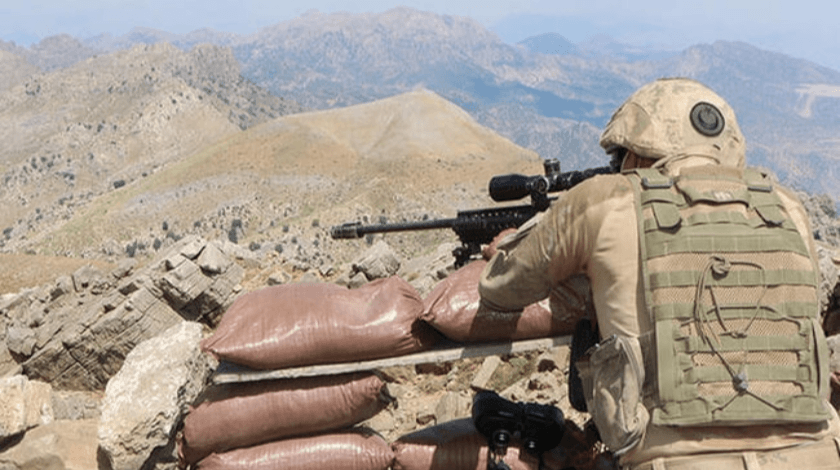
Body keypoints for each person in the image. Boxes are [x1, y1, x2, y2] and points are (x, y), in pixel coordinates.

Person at [479, 77, 840, 470]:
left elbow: (501, 289)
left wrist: (514, 243)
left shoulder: (606, 199)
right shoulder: (787, 208)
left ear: (637, 153)